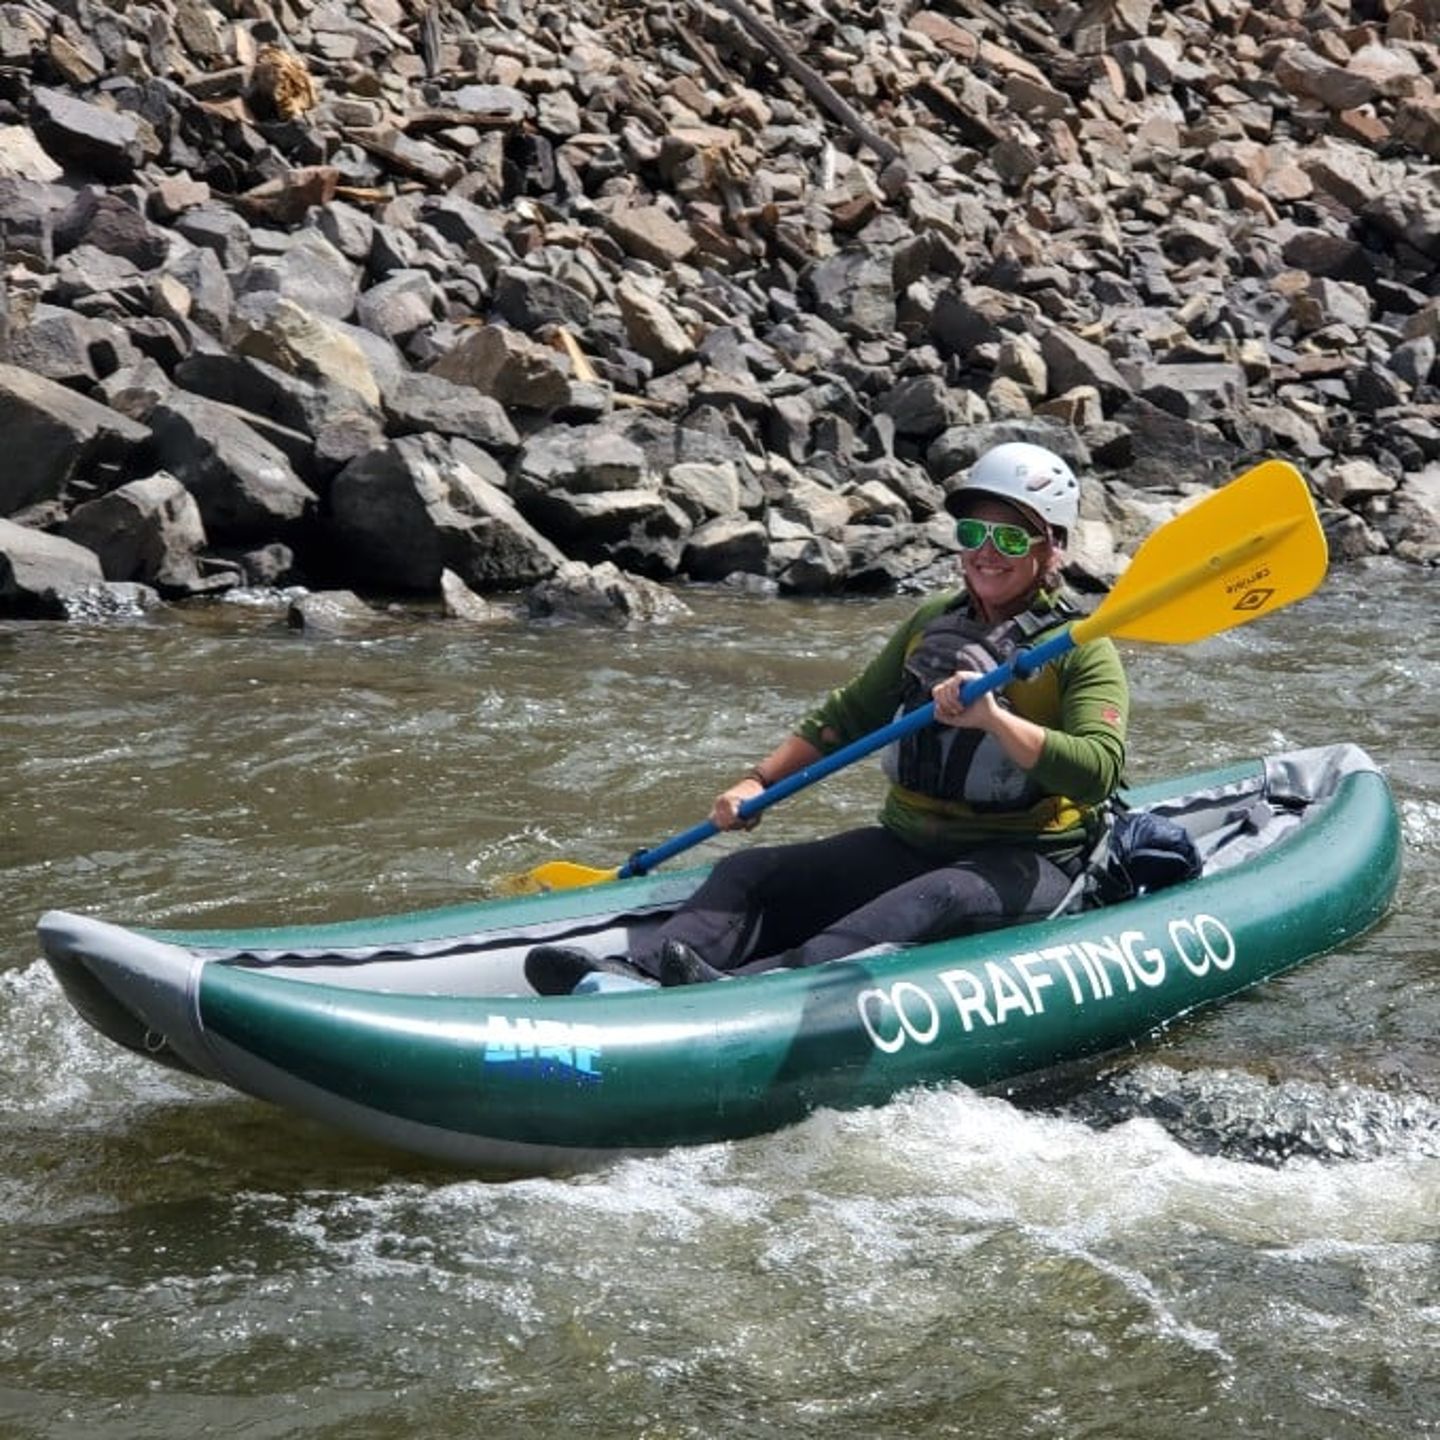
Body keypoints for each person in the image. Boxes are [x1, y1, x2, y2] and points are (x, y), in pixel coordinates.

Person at [526, 440, 1129, 994]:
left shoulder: (1080, 649)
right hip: (910, 841)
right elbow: (850, 715)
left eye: (1012, 540)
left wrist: (996, 720)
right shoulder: (932, 623)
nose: (986, 553)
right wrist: (758, 781)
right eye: (973, 533)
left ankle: (743, 994)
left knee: (929, 900)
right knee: (749, 872)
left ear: (1053, 546)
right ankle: (634, 974)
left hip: (1027, 860)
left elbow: (1098, 772)